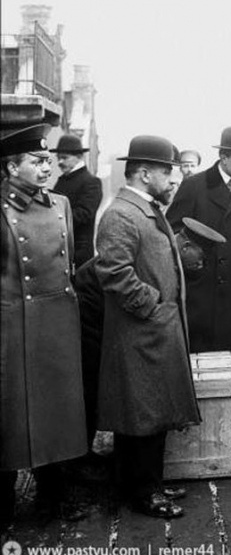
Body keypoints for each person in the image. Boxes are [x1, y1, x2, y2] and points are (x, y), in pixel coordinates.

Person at [94, 134, 200, 519]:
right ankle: (143, 492)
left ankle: (146, 482)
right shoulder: (122, 214)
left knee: (151, 414)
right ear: (143, 173)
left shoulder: (143, 209)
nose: (172, 178)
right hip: (142, 332)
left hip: (154, 331)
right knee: (140, 416)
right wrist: (152, 306)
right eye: (165, 171)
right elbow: (113, 272)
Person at [75, 217, 226, 456]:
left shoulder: (170, 253)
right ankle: (82, 460)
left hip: (113, 320)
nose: (202, 265)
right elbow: (114, 281)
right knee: (92, 392)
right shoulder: (157, 255)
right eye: (201, 258)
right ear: (185, 247)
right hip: (91, 318)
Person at [1, 123, 88, 523]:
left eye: (48, 161)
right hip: (12, 329)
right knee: (11, 417)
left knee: (57, 414)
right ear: (10, 167)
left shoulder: (60, 205)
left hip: (57, 324)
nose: (46, 168)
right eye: (36, 162)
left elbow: (67, 262)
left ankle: (53, 497)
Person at [166, 126, 231, 416]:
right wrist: (190, 254)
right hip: (209, 288)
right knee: (211, 352)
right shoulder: (195, 186)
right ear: (223, 156)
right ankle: (210, 411)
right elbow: (172, 229)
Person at [50, 133, 103, 267]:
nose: (60, 162)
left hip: (78, 254)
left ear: (79, 157)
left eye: (64, 158)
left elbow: (84, 214)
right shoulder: (62, 180)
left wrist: (51, 219)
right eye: (58, 158)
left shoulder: (91, 182)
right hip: (58, 249)